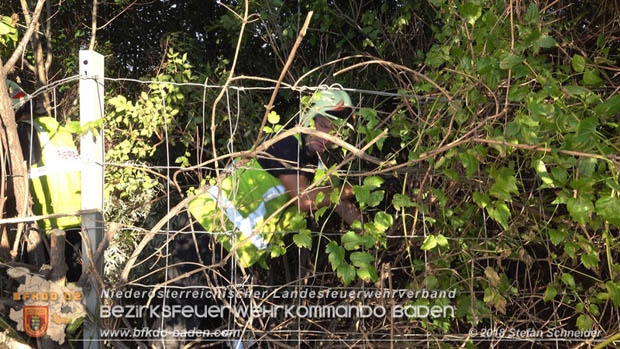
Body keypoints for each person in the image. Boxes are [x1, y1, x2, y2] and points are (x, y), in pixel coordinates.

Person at [5, 80, 82, 282]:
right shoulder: (58, 129)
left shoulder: (25, 130)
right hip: (76, 219)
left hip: (49, 223)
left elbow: (16, 179)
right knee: (73, 288)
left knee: (42, 287)